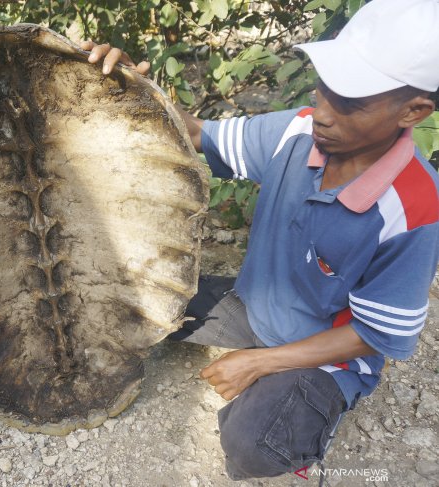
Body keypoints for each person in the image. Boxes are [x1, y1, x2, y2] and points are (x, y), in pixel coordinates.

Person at [85, 0, 438, 480]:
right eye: (324, 89)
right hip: (250, 309)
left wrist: (259, 364)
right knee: (127, 293)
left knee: (253, 444)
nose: (324, 114)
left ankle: (317, 416)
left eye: (350, 102)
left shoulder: (414, 208)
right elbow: (195, 134)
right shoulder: (296, 131)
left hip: (323, 353)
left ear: (413, 110)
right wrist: (133, 87)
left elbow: (375, 335)